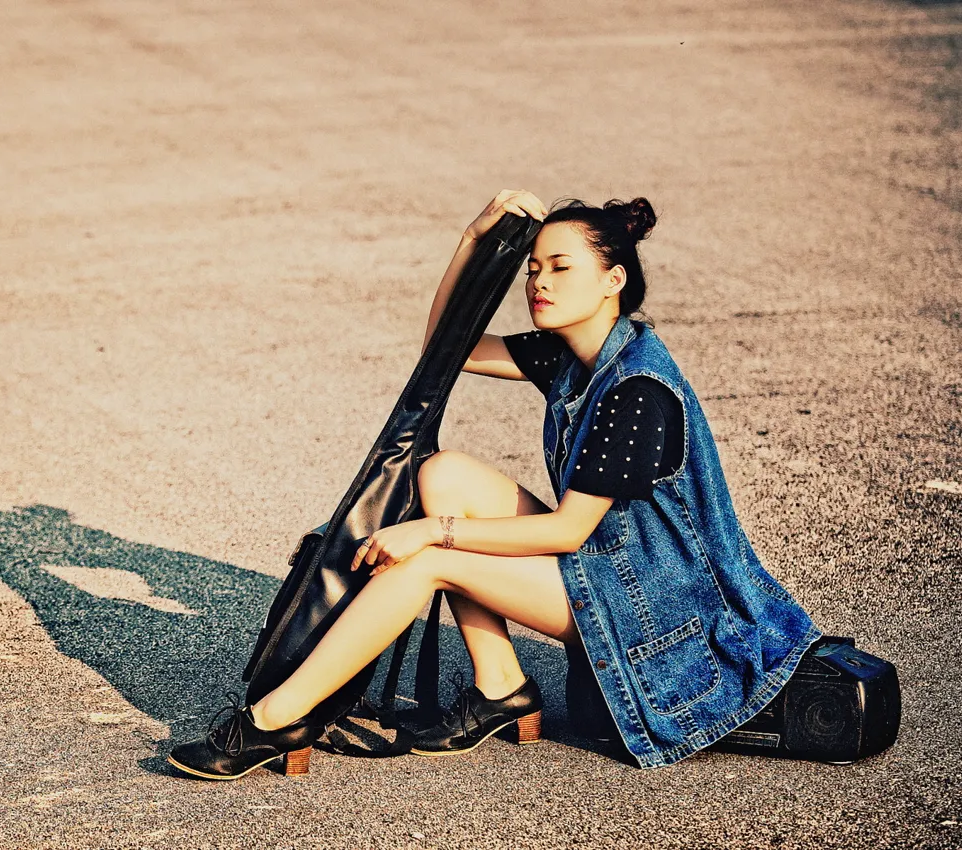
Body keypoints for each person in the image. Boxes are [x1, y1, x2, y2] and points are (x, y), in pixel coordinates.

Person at [166, 190, 822, 780]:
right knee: (442, 474)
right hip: (611, 570)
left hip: (657, 615)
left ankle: (276, 719)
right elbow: (447, 348)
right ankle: (500, 686)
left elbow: (568, 529)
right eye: (534, 266)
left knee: (427, 563)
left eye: (561, 267)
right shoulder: (572, 351)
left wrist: (431, 531)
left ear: (612, 280)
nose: (539, 280)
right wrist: (473, 243)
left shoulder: (636, 390)